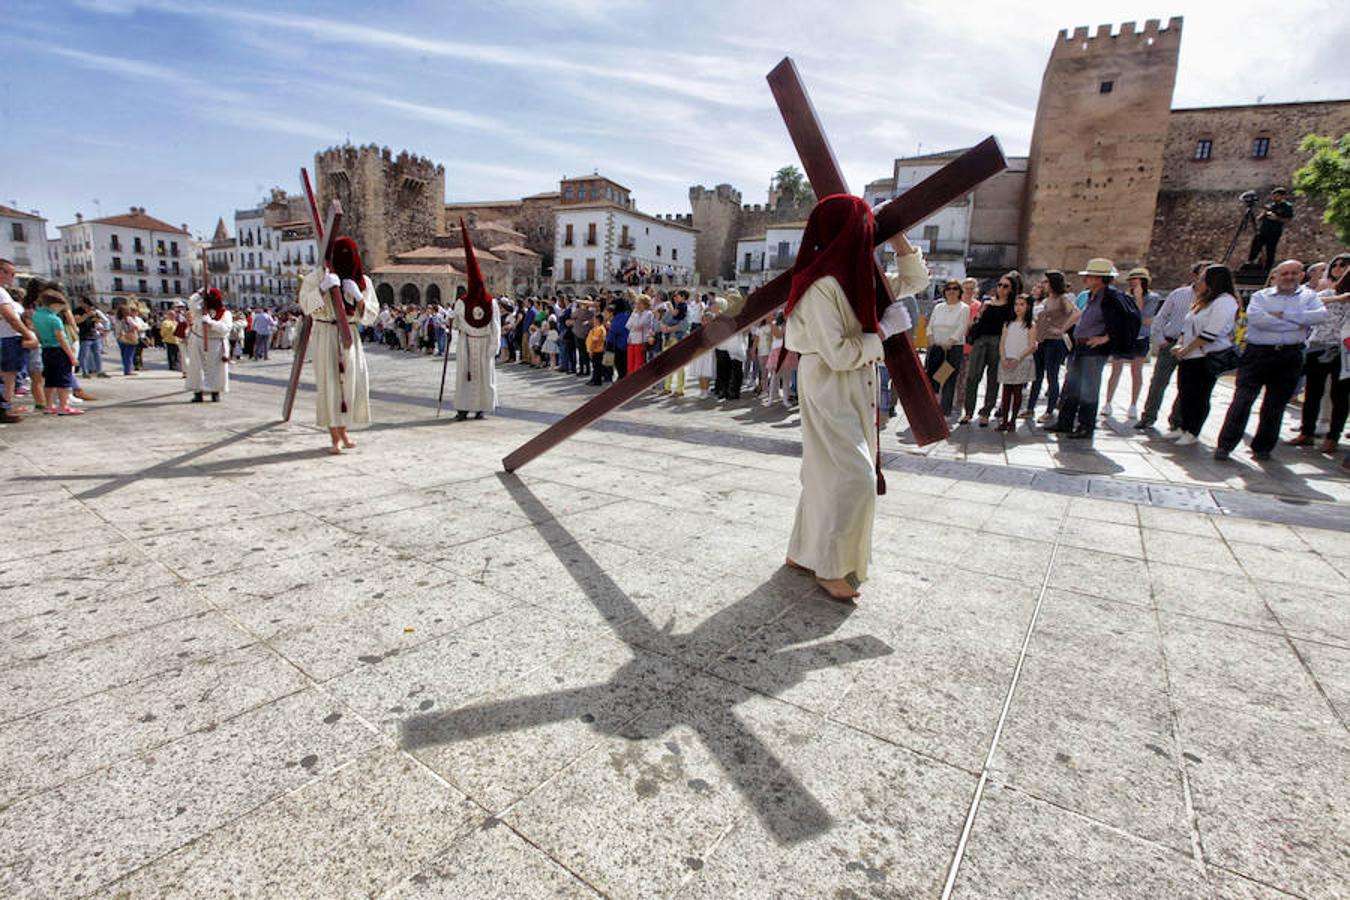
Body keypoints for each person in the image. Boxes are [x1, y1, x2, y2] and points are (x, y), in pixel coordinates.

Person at [782, 194, 923, 602]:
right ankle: (831, 567)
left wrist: (898, 239)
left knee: (824, 472)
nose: (868, 236)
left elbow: (914, 282)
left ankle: (802, 552)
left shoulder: (858, 276)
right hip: (829, 382)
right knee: (853, 476)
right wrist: (883, 331)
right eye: (863, 227)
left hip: (854, 382)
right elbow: (839, 353)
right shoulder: (820, 286)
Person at [1215, 259, 1327, 461]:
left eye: (1294, 273)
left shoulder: (1310, 297)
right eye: (1284, 273)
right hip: (1258, 353)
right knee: (1242, 400)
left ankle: (1263, 447)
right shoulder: (1261, 297)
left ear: (1301, 275)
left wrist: (1282, 315)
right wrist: (1297, 321)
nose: (1289, 277)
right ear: (1275, 276)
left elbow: (1318, 317)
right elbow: (1258, 320)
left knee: (1275, 404)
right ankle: (1226, 444)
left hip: (1289, 355)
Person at [298, 237, 380, 454]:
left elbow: (371, 316)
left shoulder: (363, 282)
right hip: (326, 333)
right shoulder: (316, 278)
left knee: (350, 383)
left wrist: (358, 297)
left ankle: (344, 430)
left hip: (349, 335)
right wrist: (322, 289)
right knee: (330, 384)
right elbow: (306, 306)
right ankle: (334, 435)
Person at [1047, 258, 1139, 440]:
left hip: (1093, 350)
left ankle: (1085, 426)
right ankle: (1065, 422)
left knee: (1088, 388)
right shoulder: (1093, 295)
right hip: (1080, 347)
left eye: (1089, 276)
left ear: (1099, 278)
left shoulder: (1112, 297)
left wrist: (1106, 337)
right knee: (1072, 385)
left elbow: (1127, 319)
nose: (1086, 279)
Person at [1136, 261, 1212, 431]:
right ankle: (1148, 416)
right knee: (1158, 382)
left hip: (1194, 347)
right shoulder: (1178, 294)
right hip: (1170, 342)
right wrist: (1160, 339)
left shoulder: (1212, 300)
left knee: (1185, 385)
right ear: (1194, 276)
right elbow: (1161, 317)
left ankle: (1176, 420)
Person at [1169, 265, 1240, 447]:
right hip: (1189, 356)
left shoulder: (1225, 302)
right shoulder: (1204, 301)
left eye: (1201, 279)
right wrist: (1181, 344)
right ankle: (1182, 426)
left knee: (1199, 394)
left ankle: (1193, 430)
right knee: (1185, 392)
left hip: (1205, 355)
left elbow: (1211, 332)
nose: (1197, 282)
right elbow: (1188, 325)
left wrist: (1187, 349)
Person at [1289, 254, 1350, 452]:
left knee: (1339, 395)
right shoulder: (1329, 293)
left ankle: (1333, 436)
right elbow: (1310, 306)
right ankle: (1306, 432)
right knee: (1313, 391)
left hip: (1344, 351)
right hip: (1320, 345)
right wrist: (1340, 298)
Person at [449, 224, 501, 422]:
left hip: (480, 342)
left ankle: (480, 408)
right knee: (466, 376)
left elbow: (495, 326)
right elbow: (456, 323)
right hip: (468, 344)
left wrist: (493, 348)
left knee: (482, 377)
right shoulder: (463, 303)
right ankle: (464, 408)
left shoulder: (489, 303)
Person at [961, 270, 1019, 426]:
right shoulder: (987, 302)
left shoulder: (1012, 307)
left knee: (993, 378)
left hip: (998, 341)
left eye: (1005, 286)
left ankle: (986, 412)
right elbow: (975, 324)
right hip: (980, 341)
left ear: (1012, 289)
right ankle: (968, 411)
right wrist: (980, 314)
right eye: (999, 285)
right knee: (972, 376)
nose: (1001, 288)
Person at [1102, 267, 1161, 420]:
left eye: (1136, 280)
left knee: (1136, 371)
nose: (1133, 283)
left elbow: (1143, 318)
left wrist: (1139, 298)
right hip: (1123, 337)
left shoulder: (1153, 298)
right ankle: (1108, 402)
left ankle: (1133, 404)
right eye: (1131, 280)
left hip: (1140, 338)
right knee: (1116, 370)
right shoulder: (1124, 297)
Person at [1026, 270, 1079, 424]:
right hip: (1042, 340)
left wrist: (1062, 328)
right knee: (1036, 376)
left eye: (1046, 282)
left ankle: (1050, 411)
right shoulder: (1046, 299)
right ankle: (1030, 408)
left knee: (1052, 375)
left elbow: (1076, 313)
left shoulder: (1062, 299)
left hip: (1055, 341)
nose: (1043, 284)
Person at [0, 258, 39, 423]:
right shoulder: (1, 293)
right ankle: (4, 408)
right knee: (8, 375)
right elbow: (11, 318)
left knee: (8, 375)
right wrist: (28, 334)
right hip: (7, 338)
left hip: (6, 337)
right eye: (11, 274)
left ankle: (5, 407)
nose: (13, 277)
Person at [32, 287, 81, 416]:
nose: (60, 309)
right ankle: (63, 406)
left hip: (46, 349)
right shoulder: (55, 319)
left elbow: (37, 333)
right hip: (59, 350)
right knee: (64, 380)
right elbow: (62, 339)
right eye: (60, 306)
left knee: (49, 379)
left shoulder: (36, 315)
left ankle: (48, 405)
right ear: (54, 304)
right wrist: (72, 357)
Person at [924, 279, 969, 415]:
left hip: (952, 348)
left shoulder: (963, 308)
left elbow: (962, 327)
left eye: (955, 289)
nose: (951, 291)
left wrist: (951, 342)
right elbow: (930, 324)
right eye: (948, 289)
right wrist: (931, 338)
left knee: (948, 378)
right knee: (932, 377)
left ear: (959, 291)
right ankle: (931, 407)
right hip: (936, 346)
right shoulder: (938, 307)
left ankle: (945, 411)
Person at [996, 293, 1037, 433]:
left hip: (1021, 360)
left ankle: (1013, 420)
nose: (1018, 308)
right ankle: (1004, 420)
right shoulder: (1008, 323)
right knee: (1006, 391)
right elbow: (1002, 341)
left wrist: (1018, 359)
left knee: (1017, 391)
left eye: (1022, 305)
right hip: (1007, 359)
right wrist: (1003, 357)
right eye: (1016, 304)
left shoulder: (1031, 325)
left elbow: (1032, 345)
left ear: (1028, 307)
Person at [184, 288, 232, 402]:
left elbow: (226, 329)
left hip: (216, 344)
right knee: (197, 368)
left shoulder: (225, 313)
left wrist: (211, 323)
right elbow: (191, 303)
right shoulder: (199, 311)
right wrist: (199, 293)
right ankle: (198, 393)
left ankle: (215, 392)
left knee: (216, 369)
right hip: (199, 342)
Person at [1245, 188, 1295, 269]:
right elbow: (1259, 218)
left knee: (1270, 250)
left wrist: (1277, 218)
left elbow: (1288, 220)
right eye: (1274, 196)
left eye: (1277, 196)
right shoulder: (1270, 206)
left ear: (1282, 196)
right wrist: (1263, 213)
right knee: (1256, 244)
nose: (1274, 198)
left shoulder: (1286, 206)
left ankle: (1268, 268)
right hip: (1264, 230)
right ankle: (1250, 261)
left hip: (1274, 232)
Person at [113, 305, 144, 376]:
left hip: (120, 337)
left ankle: (126, 369)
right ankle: (128, 370)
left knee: (124, 354)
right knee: (129, 354)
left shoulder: (117, 319)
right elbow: (136, 327)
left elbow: (117, 329)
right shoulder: (128, 319)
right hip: (130, 337)